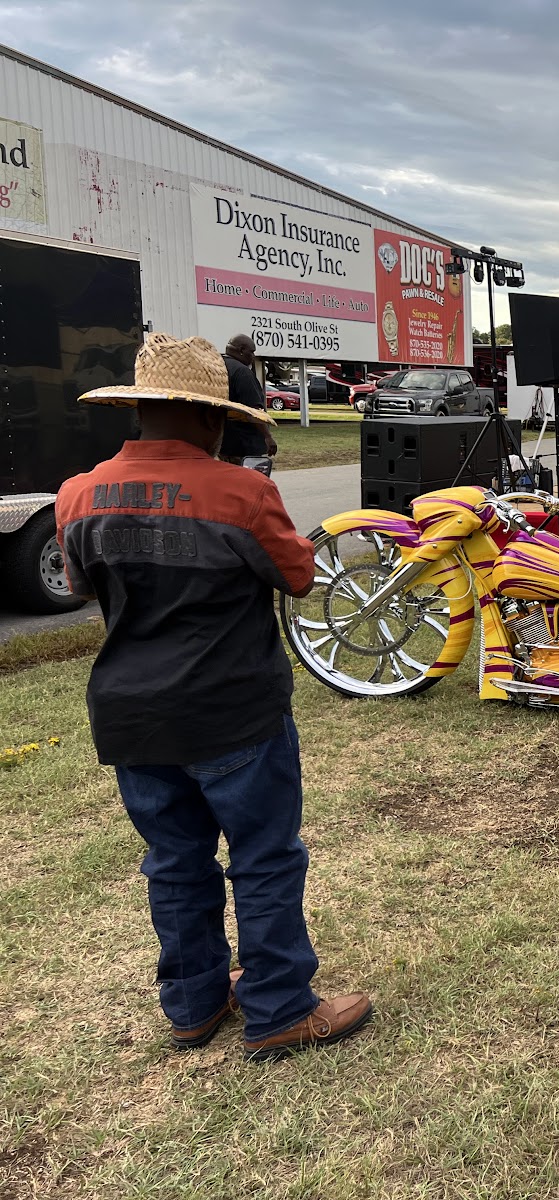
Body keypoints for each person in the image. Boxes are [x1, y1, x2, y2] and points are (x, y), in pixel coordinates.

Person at [56, 333, 372, 1060]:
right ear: (208, 417)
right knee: (263, 858)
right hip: (234, 712)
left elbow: (82, 589)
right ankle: (280, 1008)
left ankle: (193, 1006)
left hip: (131, 714)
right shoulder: (243, 493)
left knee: (174, 862)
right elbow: (298, 579)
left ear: (142, 411)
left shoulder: (76, 495)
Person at [218, 334, 278, 466]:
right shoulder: (242, 372)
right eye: (251, 352)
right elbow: (253, 412)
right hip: (244, 445)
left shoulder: (218, 367)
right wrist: (267, 437)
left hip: (223, 443)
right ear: (241, 350)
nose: (253, 356)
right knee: (248, 484)